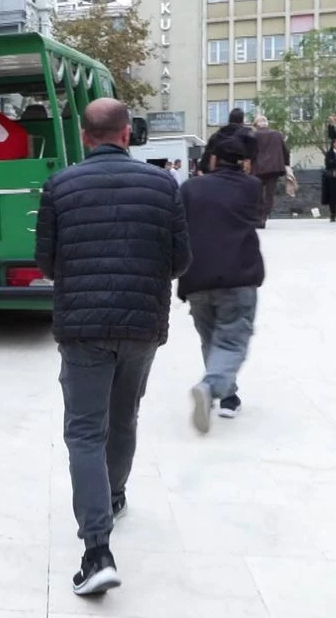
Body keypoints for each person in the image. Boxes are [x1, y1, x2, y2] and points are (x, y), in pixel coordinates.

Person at [34, 98, 191, 597]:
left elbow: (47, 263)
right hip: (142, 325)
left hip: (82, 327)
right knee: (123, 420)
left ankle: (96, 550)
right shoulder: (164, 185)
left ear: (85, 136)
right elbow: (180, 261)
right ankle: (115, 495)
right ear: (128, 133)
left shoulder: (60, 185)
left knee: (84, 433)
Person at [179, 135, 264, 432]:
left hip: (196, 278)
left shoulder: (189, 188)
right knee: (231, 340)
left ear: (212, 159)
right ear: (243, 162)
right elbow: (258, 216)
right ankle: (212, 387)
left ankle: (228, 398)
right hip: (238, 276)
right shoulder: (252, 187)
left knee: (212, 340)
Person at [249, 115, 290, 228]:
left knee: (257, 194)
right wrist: (286, 164)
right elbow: (285, 151)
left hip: (257, 169)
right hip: (274, 168)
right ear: (266, 123)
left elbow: (250, 152)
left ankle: (258, 217)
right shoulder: (277, 134)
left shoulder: (253, 135)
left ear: (256, 124)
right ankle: (264, 217)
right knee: (269, 195)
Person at [200, 108, 256, 175]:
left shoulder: (218, 134)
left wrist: (208, 172)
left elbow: (210, 156)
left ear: (229, 120)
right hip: (238, 172)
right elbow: (248, 160)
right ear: (242, 120)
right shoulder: (248, 134)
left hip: (219, 172)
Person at [321, 138, 336, 222]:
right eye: (335, 141)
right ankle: (333, 214)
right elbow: (328, 163)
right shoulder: (329, 153)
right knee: (332, 196)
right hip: (332, 178)